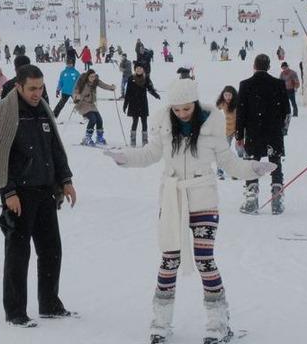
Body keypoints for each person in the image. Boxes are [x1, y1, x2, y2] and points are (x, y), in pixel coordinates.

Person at [105, 79, 276, 344]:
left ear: (195, 104)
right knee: (169, 260)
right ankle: (161, 321)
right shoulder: (163, 123)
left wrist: (253, 169)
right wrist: (124, 157)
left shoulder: (212, 125)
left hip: (203, 201)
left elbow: (229, 162)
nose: (182, 114)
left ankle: (218, 322)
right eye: (177, 110)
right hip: (173, 201)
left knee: (204, 260)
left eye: (187, 109)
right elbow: (150, 154)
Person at [0, 64, 77, 327]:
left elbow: (54, 148)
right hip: (19, 195)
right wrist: (7, 191)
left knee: (51, 250)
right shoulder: (4, 112)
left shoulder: (43, 110)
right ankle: (15, 311)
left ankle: (49, 303)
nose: (37, 93)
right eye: (32, 88)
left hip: (44, 191)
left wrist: (65, 180)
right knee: (18, 255)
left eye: (41, 87)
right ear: (18, 86)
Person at [235, 54, 290, 215]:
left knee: (252, 165)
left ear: (254, 65)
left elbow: (241, 113)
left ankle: (251, 199)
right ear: (269, 66)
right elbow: (286, 111)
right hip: (274, 132)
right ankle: (277, 200)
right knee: (275, 164)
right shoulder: (278, 84)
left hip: (253, 132)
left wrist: (239, 136)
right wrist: (282, 130)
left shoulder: (245, 85)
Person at [72, 70, 116, 146]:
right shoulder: (82, 82)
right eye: (91, 76)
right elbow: (75, 90)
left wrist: (111, 87)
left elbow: (103, 85)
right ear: (87, 77)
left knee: (99, 119)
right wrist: (76, 96)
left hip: (91, 104)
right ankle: (87, 138)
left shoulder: (95, 81)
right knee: (93, 119)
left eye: (94, 76)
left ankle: (99, 138)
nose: (93, 78)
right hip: (82, 104)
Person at [123, 62, 160, 147]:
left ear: (143, 70)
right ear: (135, 69)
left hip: (143, 103)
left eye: (140, 68)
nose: (139, 70)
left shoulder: (146, 78)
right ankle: (133, 140)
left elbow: (150, 89)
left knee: (144, 122)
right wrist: (125, 105)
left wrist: (156, 95)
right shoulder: (131, 78)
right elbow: (128, 92)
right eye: (137, 68)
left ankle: (145, 140)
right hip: (134, 103)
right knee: (135, 122)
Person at [215, 86, 244, 179]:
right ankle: (220, 169)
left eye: (229, 95)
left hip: (238, 129)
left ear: (233, 95)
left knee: (239, 150)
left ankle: (238, 170)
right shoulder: (223, 103)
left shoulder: (237, 103)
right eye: (225, 95)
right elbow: (214, 109)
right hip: (227, 129)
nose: (227, 97)